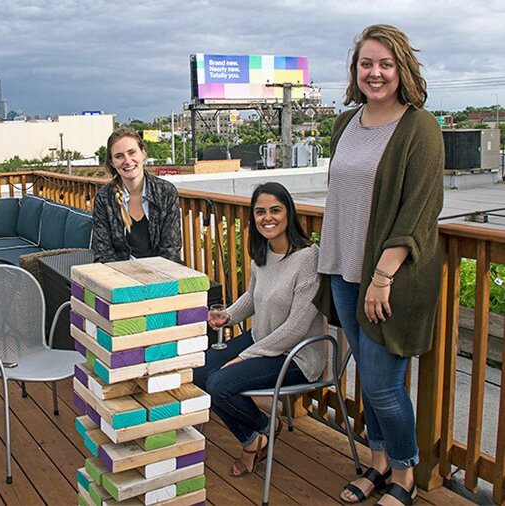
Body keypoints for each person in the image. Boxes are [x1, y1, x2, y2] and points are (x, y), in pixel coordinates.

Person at [314, 24, 444, 506]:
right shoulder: (344, 125)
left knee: (382, 384)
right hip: (344, 270)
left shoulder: (420, 128)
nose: (375, 73)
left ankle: (405, 474)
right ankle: (378, 463)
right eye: (366, 63)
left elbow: (418, 209)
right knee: (367, 381)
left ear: (402, 69)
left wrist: (383, 276)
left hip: (391, 278)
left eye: (385, 64)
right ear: (355, 70)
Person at [192, 182, 324, 478]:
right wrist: (227, 315)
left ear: (289, 213)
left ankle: (254, 440)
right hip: (262, 340)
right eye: (260, 211)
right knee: (197, 370)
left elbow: (296, 327)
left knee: (220, 385)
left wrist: (247, 355)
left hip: (297, 355)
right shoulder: (262, 252)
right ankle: (259, 433)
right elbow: (253, 296)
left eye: (275, 210)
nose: (268, 217)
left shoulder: (308, 259)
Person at [91, 127, 182, 263]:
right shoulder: (104, 199)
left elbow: (170, 250)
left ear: (143, 153)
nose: (127, 161)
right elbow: (103, 254)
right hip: (120, 278)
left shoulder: (166, 192)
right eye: (119, 156)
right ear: (112, 162)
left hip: (162, 277)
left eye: (131, 152)